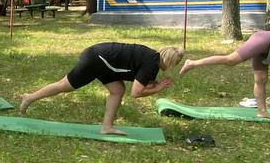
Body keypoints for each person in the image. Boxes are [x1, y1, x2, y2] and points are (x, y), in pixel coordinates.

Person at [18, 43, 184, 135]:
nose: (174, 67)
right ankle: (29, 97)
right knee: (64, 86)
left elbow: (142, 82)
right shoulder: (150, 65)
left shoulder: (153, 57)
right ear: (169, 61)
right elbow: (136, 93)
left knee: (118, 90)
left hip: (104, 61)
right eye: (175, 64)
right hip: (97, 60)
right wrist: (159, 88)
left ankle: (107, 127)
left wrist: (154, 85)